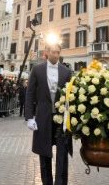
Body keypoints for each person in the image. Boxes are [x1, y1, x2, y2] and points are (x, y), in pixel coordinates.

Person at [25, 42, 73, 185]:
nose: (56, 55)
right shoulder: (37, 69)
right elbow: (30, 93)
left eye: (58, 52)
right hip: (43, 117)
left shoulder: (66, 71)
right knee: (44, 153)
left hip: (61, 119)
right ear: (46, 52)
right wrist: (29, 117)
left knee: (62, 154)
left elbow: (71, 96)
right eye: (53, 52)